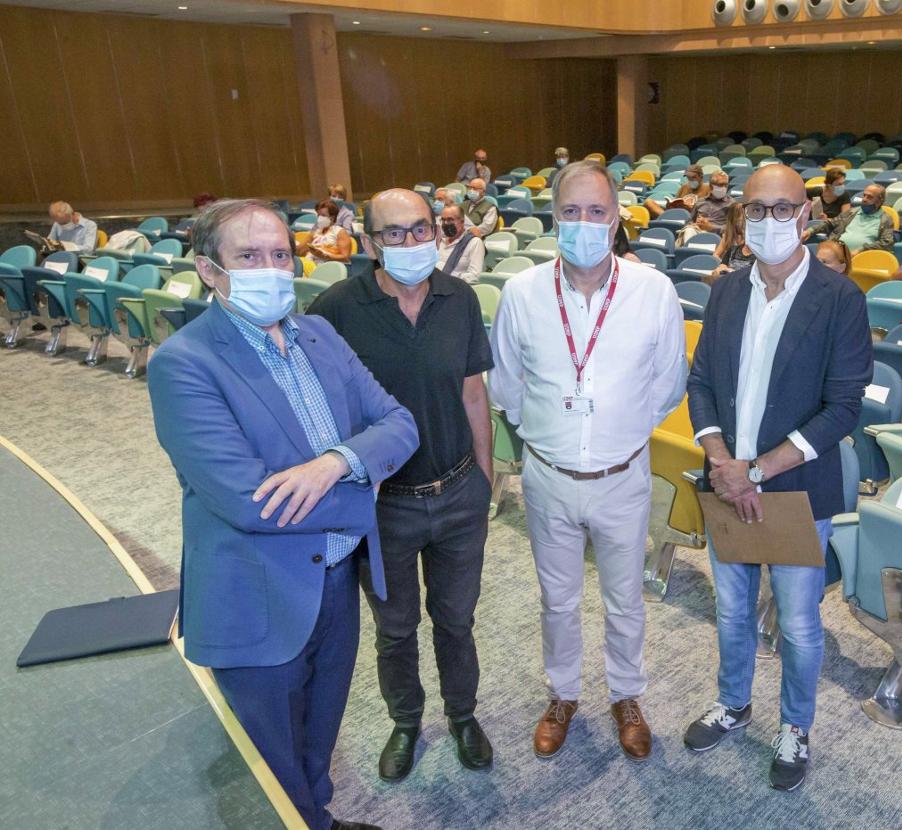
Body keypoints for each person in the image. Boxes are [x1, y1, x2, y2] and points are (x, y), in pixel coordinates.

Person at [146, 198, 420, 830]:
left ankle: (318, 820)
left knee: (319, 732)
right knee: (267, 762)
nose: (270, 268)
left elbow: (399, 423)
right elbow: (250, 500)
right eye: (248, 256)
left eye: (279, 254)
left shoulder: (319, 335)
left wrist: (336, 462)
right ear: (210, 270)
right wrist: (364, 485)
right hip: (257, 590)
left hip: (336, 580)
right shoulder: (185, 363)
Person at [489, 160, 687, 763]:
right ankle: (564, 693)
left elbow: (669, 381)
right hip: (548, 478)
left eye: (596, 212)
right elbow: (506, 383)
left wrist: (616, 430)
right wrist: (548, 433)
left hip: (622, 476)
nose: (584, 223)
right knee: (557, 599)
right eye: (570, 212)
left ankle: (626, 695)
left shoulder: (653, 290)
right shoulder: (522, 292)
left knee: (626, 598)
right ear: (554, 218)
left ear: (617, 217)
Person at [683, 163, 872, 792]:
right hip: (725, 485)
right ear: (742, 218)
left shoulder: (840, 298)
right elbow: (703, 383)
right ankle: (735, 705)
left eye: (782, 208)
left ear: (808, 215)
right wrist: (720, 464)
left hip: (792, 491)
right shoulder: (727, 289)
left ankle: (795, 726)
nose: (769, 222)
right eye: (756, 210)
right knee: (732, 611)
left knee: (796, 623)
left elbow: (843, 408)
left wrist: (756, 470)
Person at [307, 188, 496, 782]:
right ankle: (407, 720)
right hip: (383, 507)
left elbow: (472, 393)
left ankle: (462, 715)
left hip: (459, 491)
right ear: (369, 243)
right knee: (395, 627)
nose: (412, 242)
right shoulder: (336, 309)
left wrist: (484, 482)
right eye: (395, 233)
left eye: (421, 230)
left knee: (457, 619)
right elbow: (323, 412)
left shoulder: (458, 297)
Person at [822, 184, 894, 253]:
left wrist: (862, 249)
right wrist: (811, 230)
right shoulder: (852, 212)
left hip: (864, 257)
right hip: (837, 254)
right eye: (864, 195)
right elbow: (831, 223)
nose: (864, 199)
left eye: (870, 197)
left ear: (880, 201)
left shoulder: (886, 219)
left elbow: (886, 243)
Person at [436, 203, 486, 283]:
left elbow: (474, 276)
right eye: (443, 220)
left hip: (455, 287)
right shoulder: (439, 241)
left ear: (462, 222)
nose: (445, 223)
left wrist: (450, 277)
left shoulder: (474, 243)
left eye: (450, 220)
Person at [296, 199, 352, 264]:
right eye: (318, 215)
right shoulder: (315, 233)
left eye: (323, 215)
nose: (319, 218)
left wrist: (325, 256)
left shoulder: (340, 232)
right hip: (311, 264)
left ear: (332, 218)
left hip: (329, 267)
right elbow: (299, 252)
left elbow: (345, 257)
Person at [643, 164, 710, 219]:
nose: (690, 180)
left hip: (693, 217)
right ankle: (667, 218)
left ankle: (667, 218)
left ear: (701, 176)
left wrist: (691, 208)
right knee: (648, 202)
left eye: (693, 177)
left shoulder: (708, 188)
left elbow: (710, 210)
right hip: (677, 214)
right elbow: (675, 202)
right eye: (688, 178)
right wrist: (670, 205)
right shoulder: (684, 187)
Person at [683, 170, 735, 239]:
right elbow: (689, 222)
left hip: (718, 238)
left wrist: (712, 228)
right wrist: (696, 224)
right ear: (711, 186)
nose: (724, 188)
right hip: (698, 232)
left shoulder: (732, 204)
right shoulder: (700, 202)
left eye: (726, 185)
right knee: (689, 230)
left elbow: (735, 229)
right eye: (720, 185)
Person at [710, 202, 754, 278]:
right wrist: (722, 266)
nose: (741, 219)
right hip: (727, 268)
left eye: (743, 215)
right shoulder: (728, 236)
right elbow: (716, 254)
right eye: (738, 215)